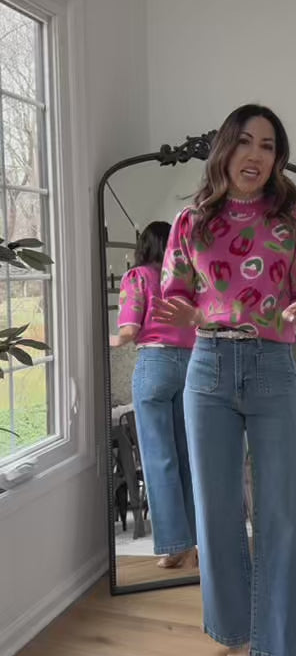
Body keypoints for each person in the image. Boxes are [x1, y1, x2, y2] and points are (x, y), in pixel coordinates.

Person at [156, 105, 296, 656]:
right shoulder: (191, 222)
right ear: (226, 149)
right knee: (218, 514)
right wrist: (185, 315)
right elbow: (173, 295)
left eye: (269, 145)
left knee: (285, 513)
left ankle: (290, 655)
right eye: (247, 142)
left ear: (276, 158)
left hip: (272, 369)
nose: (257, 155)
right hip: (206, 371)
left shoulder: (295, 221)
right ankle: (238, 634)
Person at [109, 221, 197, 569]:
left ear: (144, 246)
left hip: (156, 365)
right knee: (190, 458)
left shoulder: (137, 277)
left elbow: (129, 330)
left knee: (159, 460)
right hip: (192, 365)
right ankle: (197, 542)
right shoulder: (188, 279)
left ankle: (175, 545)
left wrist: (106, 340)